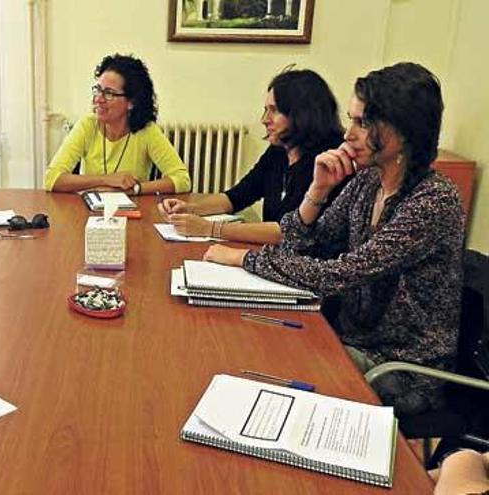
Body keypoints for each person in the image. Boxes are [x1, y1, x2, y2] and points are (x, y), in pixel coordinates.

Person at [202, 62, 463, 415]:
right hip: (351, 341)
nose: (348, 134)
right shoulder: (368, 181)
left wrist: (242, 258)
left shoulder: (433, 200)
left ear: (403, 130)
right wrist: (318, 190)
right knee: (246, 349)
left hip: (401, 368)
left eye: (362, 122)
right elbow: (303, 241)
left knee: (265, 379)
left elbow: (339, 273)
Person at [159, 68, 345, 244]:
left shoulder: (327, 162)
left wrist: (210, 229)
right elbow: (236, 197)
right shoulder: (279, 151)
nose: (264, 120)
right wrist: (190, 209)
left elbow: (288, 231)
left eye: (274, 110)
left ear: (301, 114)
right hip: (271, 257)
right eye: (265, 110)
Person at [43, 53, 191, 195]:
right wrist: (106, 180)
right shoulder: (87, 125)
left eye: (109, 93)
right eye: (97, 90)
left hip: (132, 211)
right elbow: (51, 179)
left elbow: (182, 180)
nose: (98, 99)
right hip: (90, 212)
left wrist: (136, 189)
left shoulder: (147, 131)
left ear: (131, 102)